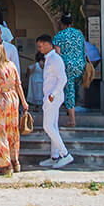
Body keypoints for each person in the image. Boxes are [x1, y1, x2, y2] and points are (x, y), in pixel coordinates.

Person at [0, 43, 28, 174]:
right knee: (12, 130)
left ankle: (6, 164)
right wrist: (24, 102)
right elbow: (18, 84)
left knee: (0, 130)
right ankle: (15, 161)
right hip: (13, 98)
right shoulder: (11, 65)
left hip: (1, 98)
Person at [36, 34, 73, 168]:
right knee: (53, 126)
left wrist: (53, 94)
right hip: (50, 96)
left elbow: (63, 79)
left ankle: (65, 154)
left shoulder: (55, 59)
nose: (39, 49)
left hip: (53, 97)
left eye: (40, 46)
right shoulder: (49, 58)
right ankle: (54, 156)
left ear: (47, 44)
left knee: (48, 126)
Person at [51, 14, 87, 126]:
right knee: (76, 88)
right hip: (80, 65)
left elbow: (57, 53)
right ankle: (73, 109)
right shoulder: (79, 34)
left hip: (67, 66)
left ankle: (72, 119)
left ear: (62, 24)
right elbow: (83, 50)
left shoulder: (59, 35)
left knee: (69, 91)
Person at [83, 35, 103, 110]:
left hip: (91, 62)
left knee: (85, 81)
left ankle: (84, 104)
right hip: (93, 61)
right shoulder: (85, 44)